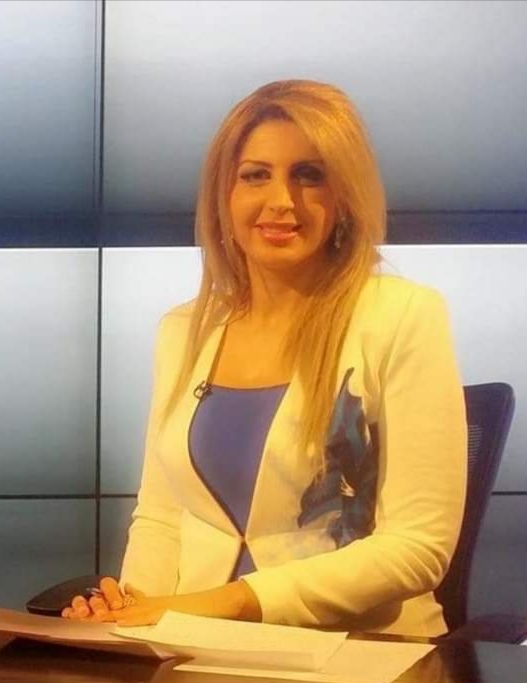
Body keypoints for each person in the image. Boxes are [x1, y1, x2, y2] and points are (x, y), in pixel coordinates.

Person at [62, 79, 467, 636]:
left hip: (361, 651)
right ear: (225, 194)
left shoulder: (402, 315)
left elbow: (417, 547)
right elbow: (162, 518)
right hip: (202, 647)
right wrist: (131, 618)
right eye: (256, 175)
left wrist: (221, 604)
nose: (282, 201)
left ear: (343, 196)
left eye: (309, 175)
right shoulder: (184, 330)